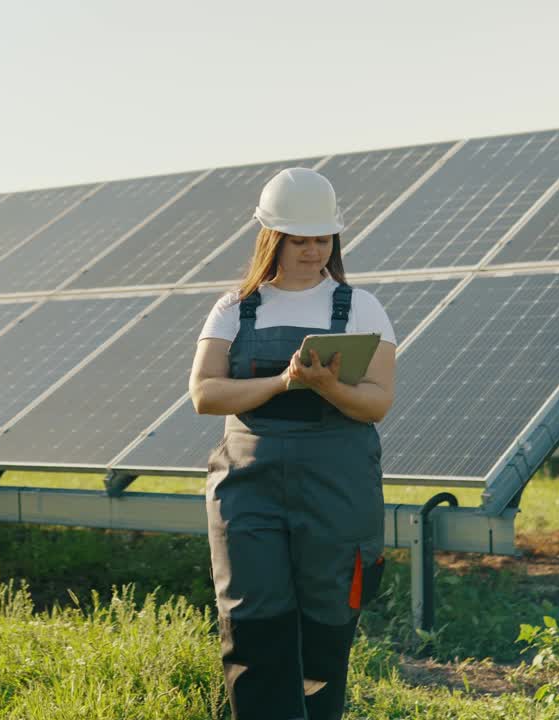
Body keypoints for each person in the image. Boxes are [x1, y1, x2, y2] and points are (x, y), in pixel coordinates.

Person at [189, 168, 398, 719]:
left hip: (336, 486)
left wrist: (329, 387)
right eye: (299, 239)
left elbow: (377, 402)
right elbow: (205, 393)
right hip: (247, 487)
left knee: (327, 625)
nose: (312, 251)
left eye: (322, 238)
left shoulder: (360, 308)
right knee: (252, 621)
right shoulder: (235, 306)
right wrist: (282, 383)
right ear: (272, 237)